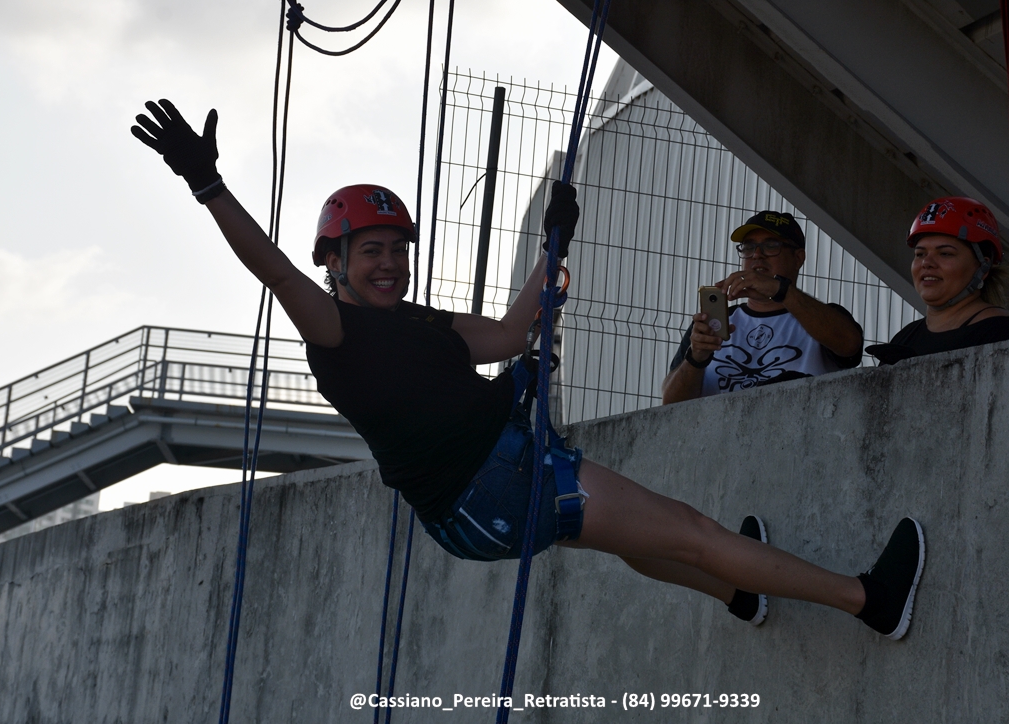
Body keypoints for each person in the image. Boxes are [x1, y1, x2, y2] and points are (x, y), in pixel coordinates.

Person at [131, 98, 925, 639]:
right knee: (689, 528)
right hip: (500, 483)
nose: (389, 265)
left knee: (631, 539)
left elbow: (514, 333)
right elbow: (270, 268)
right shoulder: (333, 330)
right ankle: (868, 600)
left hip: (482, 503)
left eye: (398, 252)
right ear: (333, 264)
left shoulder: (423, 324)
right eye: (371, 252)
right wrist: (208, 184)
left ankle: (739, 591)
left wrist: (554, 246)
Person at [663, 211, 864, 404]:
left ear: (798, 258)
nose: (757, 255)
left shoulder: (821, 318)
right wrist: (696, 358)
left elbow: (850, 345)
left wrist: (780, 290)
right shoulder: (716, 322)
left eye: (771, 246)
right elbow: (670, 405)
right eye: (749, 247)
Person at [867, 197, 1009, 366]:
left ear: (983, 267)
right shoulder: (904, 338)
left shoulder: (1001, 332)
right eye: (920, 254)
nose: (926, 263)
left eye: (945, 253)